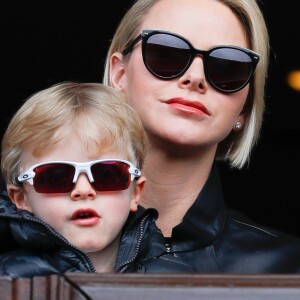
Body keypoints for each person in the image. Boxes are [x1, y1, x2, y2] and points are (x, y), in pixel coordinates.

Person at [102, 0, 300, 273]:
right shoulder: (39, 247)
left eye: (228, 67)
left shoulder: (288, 268)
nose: (195, 77)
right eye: (167, 52)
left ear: (245, 107)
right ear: (120, 74)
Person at [0, 81, 192, 278]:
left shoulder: (175, 281)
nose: (83, 190)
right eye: (56, 176)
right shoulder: (7, 281)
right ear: (21, 198)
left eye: (106, 174)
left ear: (135, 192)